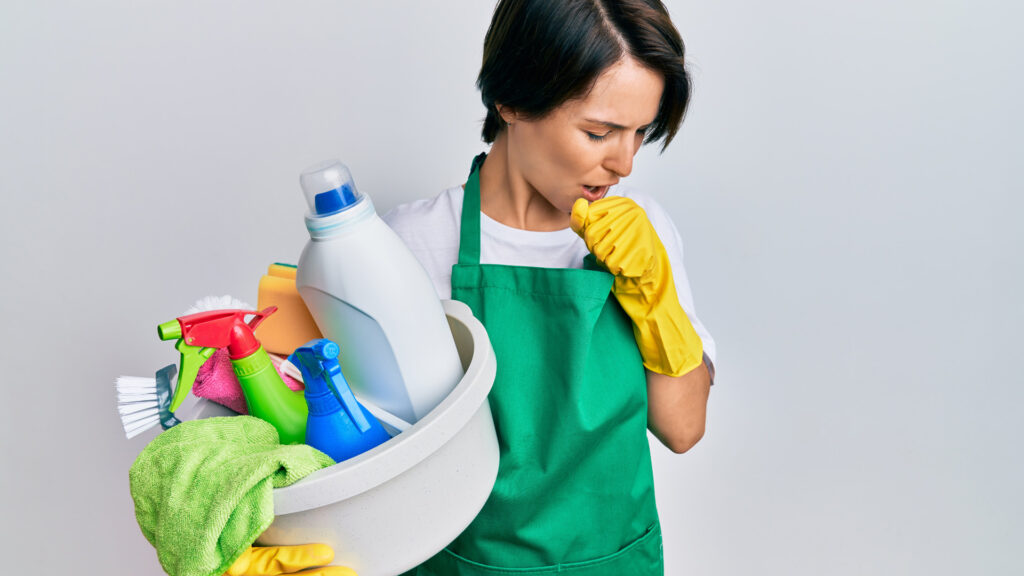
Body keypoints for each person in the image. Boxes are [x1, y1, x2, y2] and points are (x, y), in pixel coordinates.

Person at [383, 1, 716, 574]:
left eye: (641, 133)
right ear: (510, 99)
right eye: (599, 132)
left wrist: (654, 294)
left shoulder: (644, 235)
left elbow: (682, 430)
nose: (625, 163)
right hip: (463, 563)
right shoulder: (409, 243)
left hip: (611, 560)